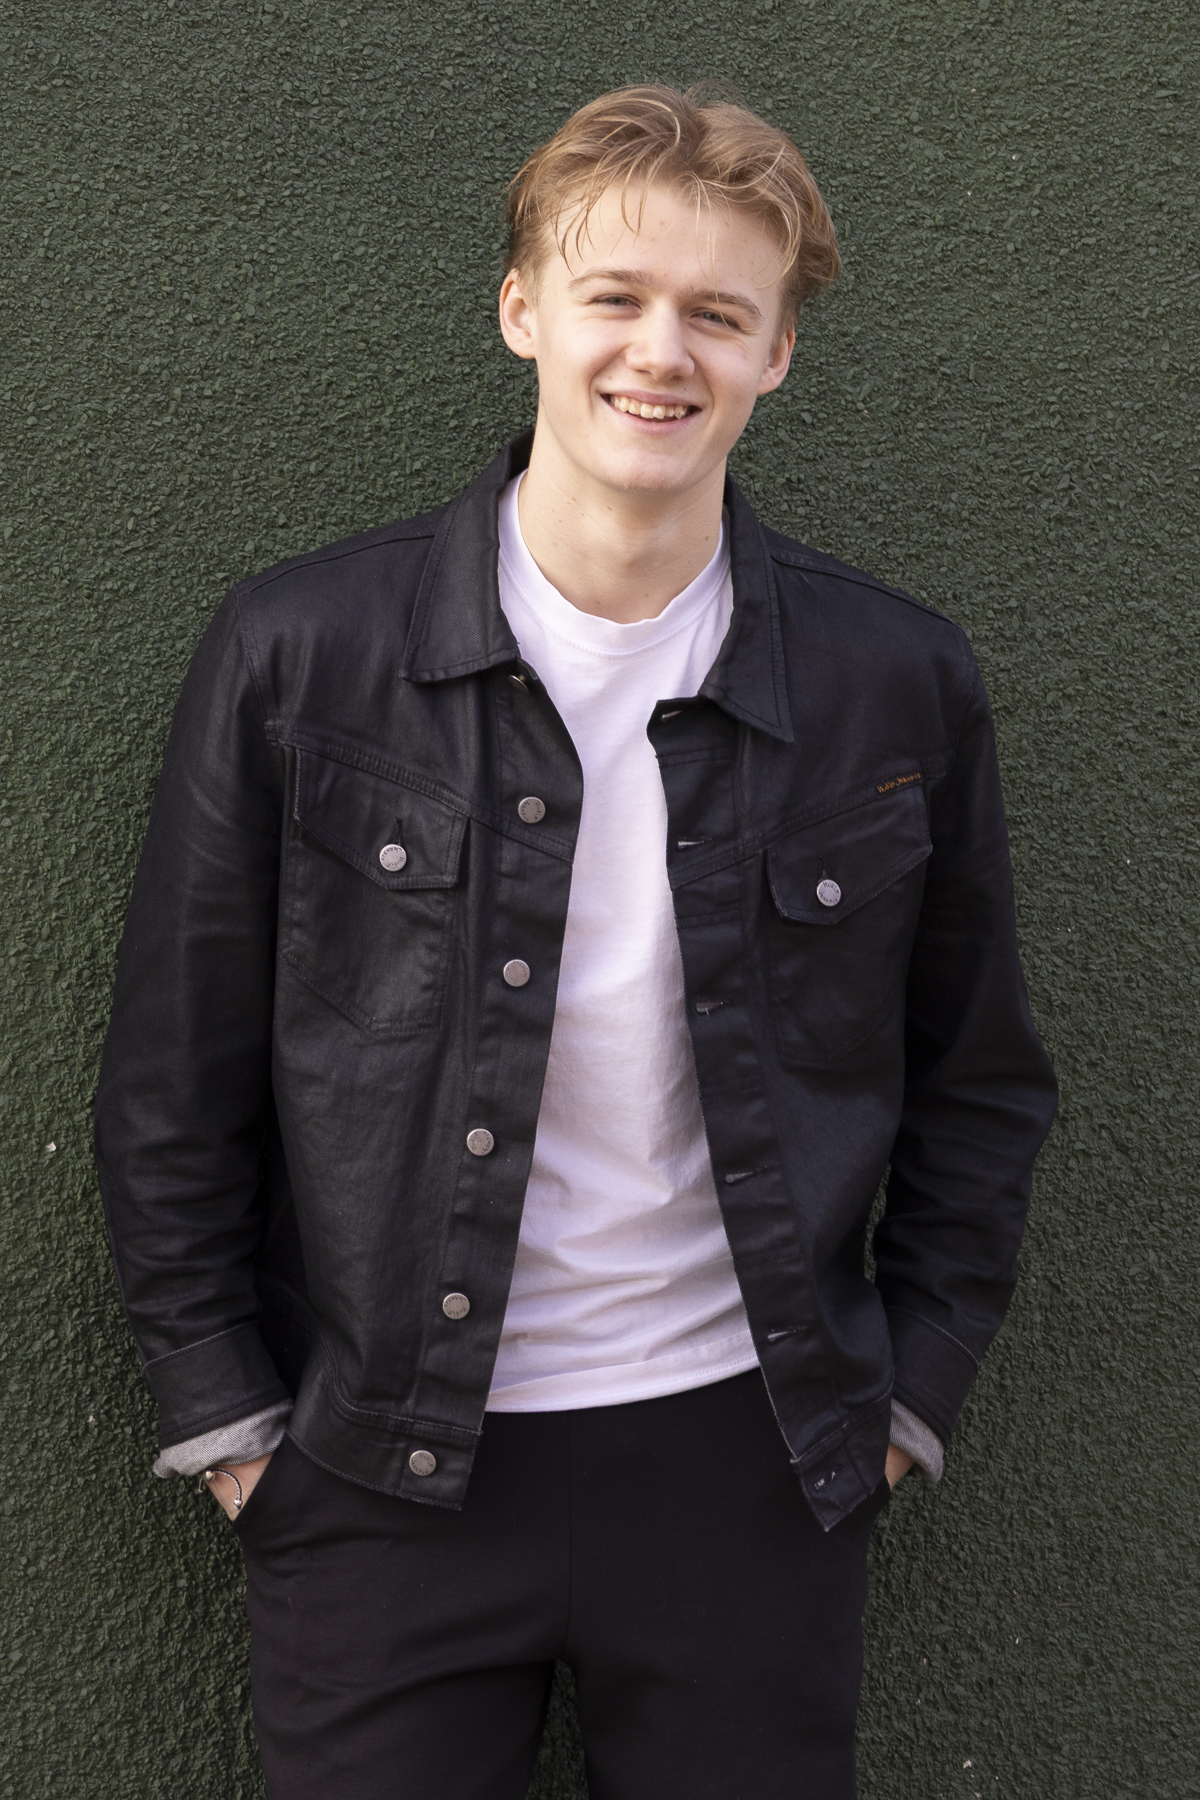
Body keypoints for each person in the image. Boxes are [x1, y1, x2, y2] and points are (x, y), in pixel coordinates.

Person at [94, 84, 1057, 1800]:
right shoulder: (302, 656)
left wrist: (904, 1403)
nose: (660, 352)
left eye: (718, 313)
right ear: (523, 309)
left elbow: (980, 1079)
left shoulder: (890, 684)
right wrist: (237, 1430)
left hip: (749, 1471)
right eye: (616, 296)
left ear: (776, 354)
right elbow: (175, 1083)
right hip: (381, 1481)